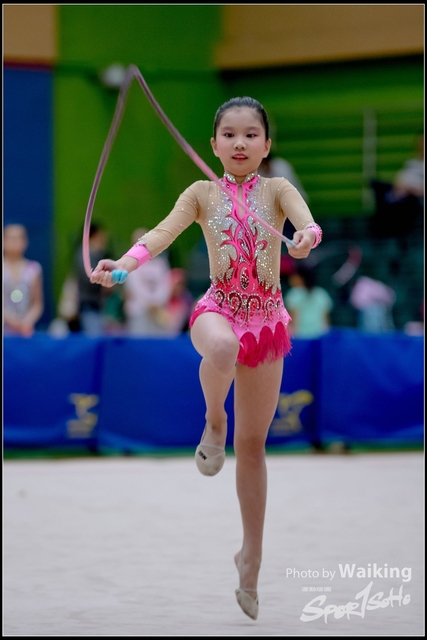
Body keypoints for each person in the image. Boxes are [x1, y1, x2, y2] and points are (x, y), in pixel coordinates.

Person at [89, 96, 322, 621]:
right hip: (218, 309)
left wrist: (306, 239)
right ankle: (214, 418)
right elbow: (160, 234)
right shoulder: (201, 193)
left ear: (266, 144)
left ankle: (250, 558)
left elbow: (307, 225)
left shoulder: (278, 190)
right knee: (221, 347)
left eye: (251, 135)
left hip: (266, 320)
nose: (240, 143)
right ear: (213, 145)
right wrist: (122, 265)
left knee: (254, 448)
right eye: (229, 135)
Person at [123, 228, 173, 336]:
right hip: (139, 310)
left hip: (158, 310)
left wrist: (157, 302)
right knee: (139, 340)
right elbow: (135, 287)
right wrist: (149, 304)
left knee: (159, 340)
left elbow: (165, 286)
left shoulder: (161, 264)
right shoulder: (130, 264)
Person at [3, 223, 44, 337]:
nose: (14, 242)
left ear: (25, 242)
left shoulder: (34, 269)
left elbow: (37, 303)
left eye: (18, 238)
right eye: (10, 238)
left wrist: (27, 321)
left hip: (24, 329)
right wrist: (10, 320)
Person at [74, 222, 110, 337]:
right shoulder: (83, 255)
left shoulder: (99, 255)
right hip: (88, 305)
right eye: (101, 235)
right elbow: (88, 277)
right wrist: (104, 283)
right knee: (94, 338)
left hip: (98, 305)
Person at [284, 263, 333, 338]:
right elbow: (326, 322)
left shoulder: (293, 294)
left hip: (301, 337)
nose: (290, 280)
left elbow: (292, 320)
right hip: (319, 337)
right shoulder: (322, 294)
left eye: (293, 277)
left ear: (301, 278)